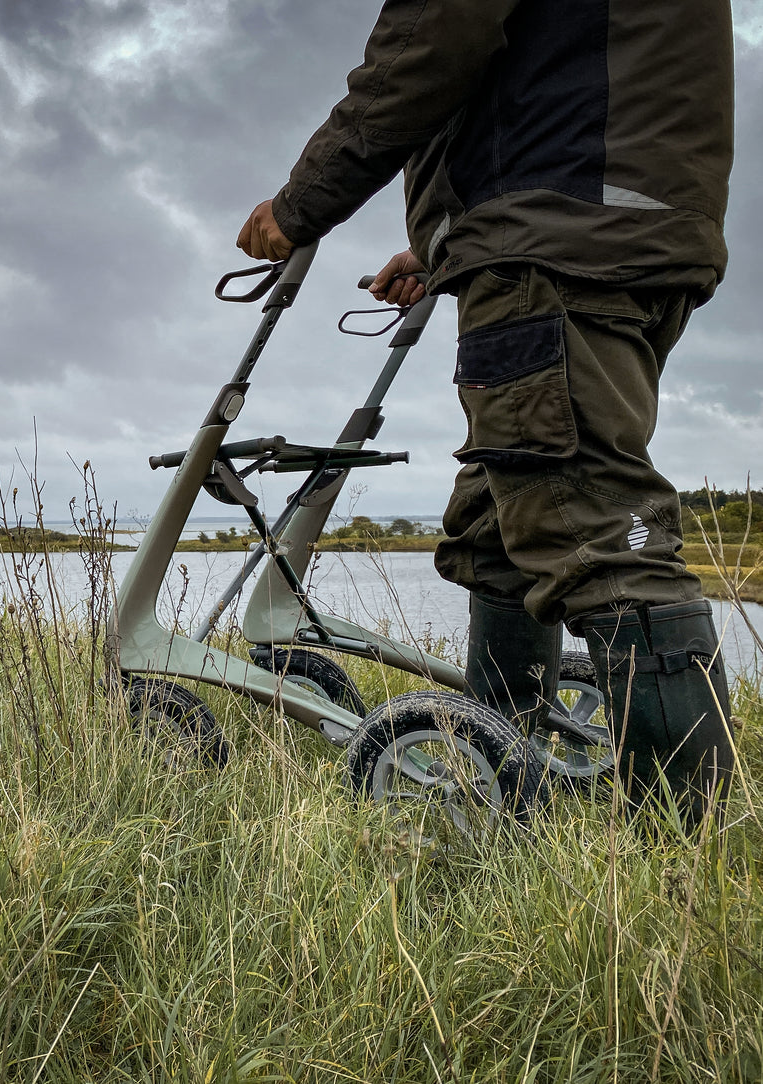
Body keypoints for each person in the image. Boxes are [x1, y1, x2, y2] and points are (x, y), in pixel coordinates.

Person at [236, 0, 736, 830]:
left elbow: (432, 39)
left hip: (555, 236)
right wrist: (445, 243)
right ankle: (500, 778)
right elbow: (561, 70)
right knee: (503, 521)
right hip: (618, 226)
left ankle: (687, 855)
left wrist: (300, 204)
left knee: (598, 533)